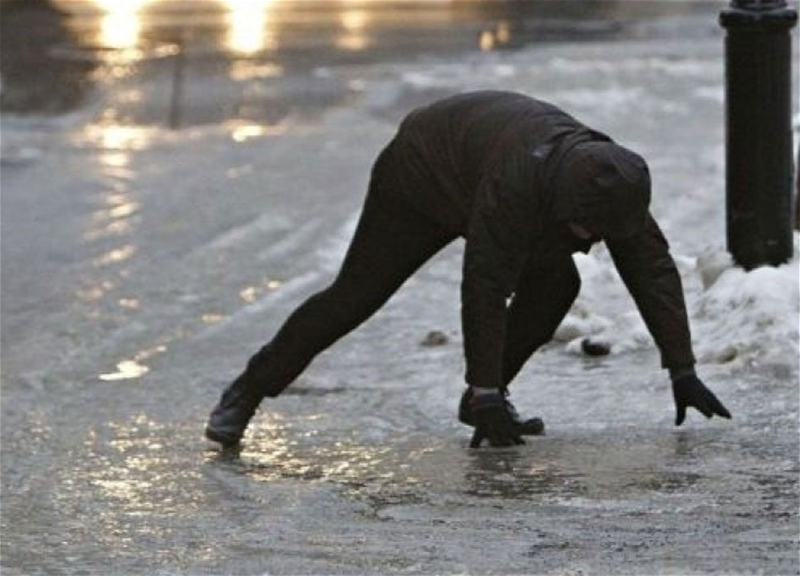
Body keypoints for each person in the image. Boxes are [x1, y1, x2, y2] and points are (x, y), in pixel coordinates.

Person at [205, 90, 731, 449]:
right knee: (356, 295)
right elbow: (485, 286)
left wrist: (681, 368)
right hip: (421, 175)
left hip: (483, 158)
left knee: (558, 283)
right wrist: (485, 391)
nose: (594, 243)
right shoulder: (518, 188)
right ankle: (248, 390)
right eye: (586, 232)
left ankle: (484, 396)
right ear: (562, 205)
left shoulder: (613, 185)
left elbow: (651, 269)